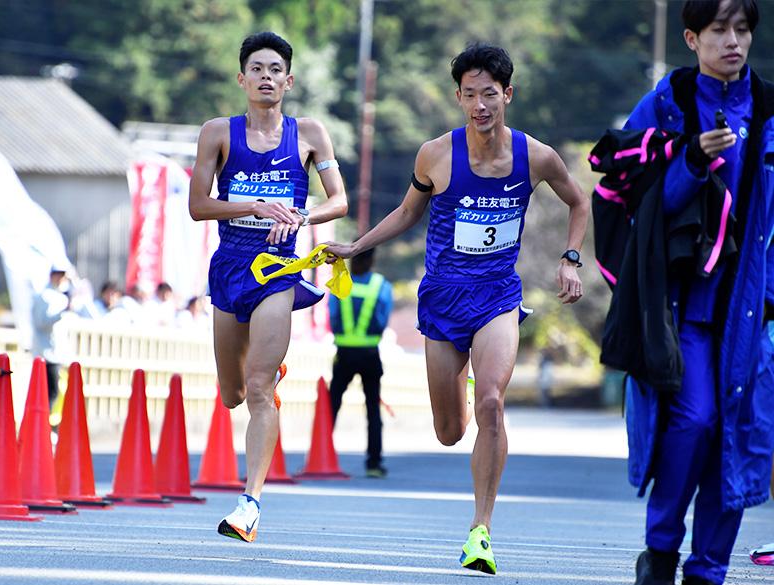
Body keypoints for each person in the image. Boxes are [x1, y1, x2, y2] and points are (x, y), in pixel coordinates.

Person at [324, 43, 589, 574]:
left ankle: (480, 532)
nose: (479, 105)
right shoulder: (435, 155)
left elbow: (579, 201)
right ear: (459, 98)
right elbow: (406, 212)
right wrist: (355, 246)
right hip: (443, 299)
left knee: (492, 401)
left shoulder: (535, 156)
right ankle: (466, 401)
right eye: (469, 95)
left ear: (507, 94)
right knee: (450, 430)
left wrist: (571, 258)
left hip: (497, 296)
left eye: (489, 94)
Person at [622, 3, 774, 583]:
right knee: (694, 423)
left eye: (742, 30)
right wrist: (689, 161)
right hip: (679, 305)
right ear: (692, 37)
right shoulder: (666, 104)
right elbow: (632, 198)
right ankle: (660, 552)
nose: (733, 41)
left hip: (749, 306)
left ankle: (708, 569)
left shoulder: (768, 110)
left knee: (735, 439)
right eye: (719, 30)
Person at [188, 31, 348, 543]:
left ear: (289, 80)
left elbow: (338, 200)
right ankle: (265, 366)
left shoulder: (310, 134)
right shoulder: (218, 132)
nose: (265, 76)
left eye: (275, 69)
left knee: (258, 390)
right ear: (241, 79)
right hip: (230, 265)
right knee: (233, 393)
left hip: (278, 269)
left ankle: (249, 504)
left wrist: (302, 215)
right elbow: (198, 206)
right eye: (256, 68)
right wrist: (253, 207)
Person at [327, 248, 393, 478]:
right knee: (373, 410)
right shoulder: (381, 286)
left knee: (330, 407)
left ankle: (321, 456)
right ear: (373, 259)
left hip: (343, 352)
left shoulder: (341, 282)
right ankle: (374, 463)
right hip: (369, 352)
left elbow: (332, 316)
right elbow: (382, 320)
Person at [31, 262, 75, 410]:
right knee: (49, 392)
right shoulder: (43, 296)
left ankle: (45, 425)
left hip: (57, 352)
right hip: (45, 352)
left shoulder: (60, 297)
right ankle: (42, 425)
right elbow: (41, 322)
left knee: (54, 392)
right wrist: (62, 313)